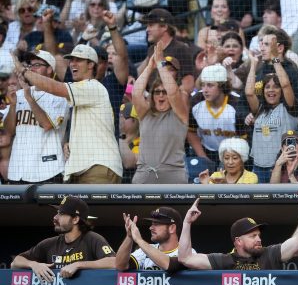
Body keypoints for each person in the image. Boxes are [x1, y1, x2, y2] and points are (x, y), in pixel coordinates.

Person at [179, 195, 298, 285]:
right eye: (253, 236)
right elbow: (186, 258)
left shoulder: (270, 254)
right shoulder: (225, 261)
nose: (259, 239)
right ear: (238, 241)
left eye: (259, 235)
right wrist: (187, 223)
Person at [12, 44, 123, 183]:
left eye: (78, 60)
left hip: (98, 166)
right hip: (84, 168)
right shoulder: (82, 91)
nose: (72, 64)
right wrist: (68, 143)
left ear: (90, 65)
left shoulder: (92, 86)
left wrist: (23, 70)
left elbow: (53, 87)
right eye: (71, 60)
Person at [10, 196, 121, 285]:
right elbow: (15, 262)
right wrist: (33, 264)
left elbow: (115, 262)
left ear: (75, 219)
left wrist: (79, 264)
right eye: (57, 213)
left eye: (61, 214)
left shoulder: (92, 239)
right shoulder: (50, 244)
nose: (55, 217)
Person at [115, 205, 198, 285]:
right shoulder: (145, 251)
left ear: (172, 228)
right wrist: (129, 237)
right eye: (152, 223)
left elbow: (168, 265)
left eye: (157, 224)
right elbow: (121, 265)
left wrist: (139, 240)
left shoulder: (187, 253)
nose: (151, 227)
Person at [4, 50, 68, 184]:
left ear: (50, 69)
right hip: (18, 170)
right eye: (30, 65)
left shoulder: (60, 96)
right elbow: (9, 132)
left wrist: (29, 98)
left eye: (37, 65)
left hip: (48, 170)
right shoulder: (19, 94)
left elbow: (47, 125)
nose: (32, 69)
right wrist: (14, 105)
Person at [131, 42, 189, 184]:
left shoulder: (180, 114)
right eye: (157, 92)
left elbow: (174, 92)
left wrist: (161, 64)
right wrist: (150, 66)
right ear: (152, 95)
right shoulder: (145, 113)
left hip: (173, 176)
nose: (161, 95)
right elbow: (136, 93)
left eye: (164, 92)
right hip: (144, 175)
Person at [245, 38, 298, 183]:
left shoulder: (289, 107)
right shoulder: (260, 109)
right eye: (267, 87)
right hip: (257, 168)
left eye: (275, 86)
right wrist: (254, 65)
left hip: (281, 168)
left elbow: (286, 84)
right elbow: (249, 93)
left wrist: (275, 59)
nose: (271, 90)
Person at [188, 65, 241, 164]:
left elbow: (244, 139)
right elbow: (191, 131)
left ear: (222, 86)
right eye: (203, 85)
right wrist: (203, 157)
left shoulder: (237, 104)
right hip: (206, 151)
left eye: (210, 85)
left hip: (234, 154)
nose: (205, 90)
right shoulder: (196, 101)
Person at [138, 8, 194, 94]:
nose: (147, 29)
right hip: (152, 101)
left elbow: (188, 85)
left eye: (151, 25)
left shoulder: (181, 49)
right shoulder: (151, 50)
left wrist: (171, 98)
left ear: (164, 26)